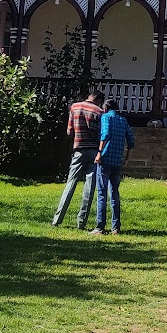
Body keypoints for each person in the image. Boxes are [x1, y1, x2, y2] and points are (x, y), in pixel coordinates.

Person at [51, 87, 104, 227]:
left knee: (70, 184)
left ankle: (57, 220)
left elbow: (69, 131)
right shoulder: (100, 112)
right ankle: (81, 222)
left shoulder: (74, 107)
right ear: (98, 100)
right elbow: (101, 134)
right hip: (93, 151)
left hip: (78, 150)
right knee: (89, 187)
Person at [90, 98, 135, 235]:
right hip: (117, 160)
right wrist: (127, 156)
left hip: (105, 159)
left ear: (105, 108)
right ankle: (116, 227)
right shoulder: (123, 120)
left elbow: (105, 133)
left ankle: (100, 226)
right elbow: (131, 140)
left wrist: (99, 153)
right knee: (114, 193)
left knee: (102, 193)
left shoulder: (105, 118)